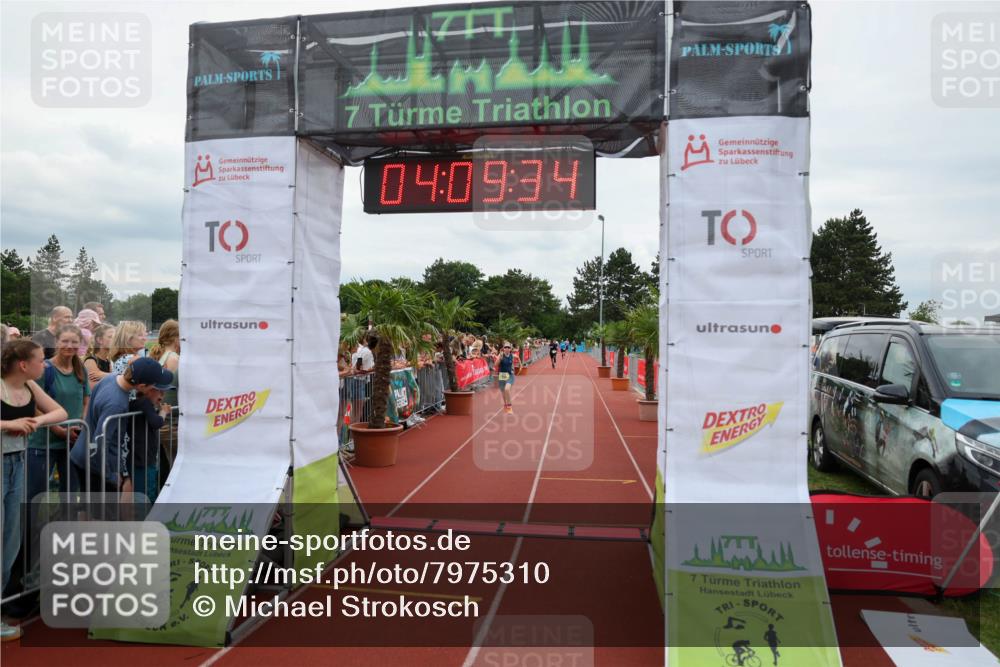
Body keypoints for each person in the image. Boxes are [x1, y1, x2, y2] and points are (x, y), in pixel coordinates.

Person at [1, 339, 67, 642]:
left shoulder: (30, 387)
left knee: (11, 542)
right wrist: (8, 423)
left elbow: (60, 413)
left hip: (18, 465)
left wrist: (35, 421)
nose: (46, 364)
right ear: (23, 364)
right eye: (41, 359)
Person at [69, 357, 173, 495]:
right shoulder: (116, 403)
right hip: (96, 465)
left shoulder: (111, 378)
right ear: (142, 386)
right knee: (100, 515)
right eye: (154, 386)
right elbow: (100, 442)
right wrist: (110, 476)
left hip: (84, 455)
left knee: (87, 510)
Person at [27, 325, 89, 496]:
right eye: (65, 341)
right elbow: (35, 406)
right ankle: (29, 524)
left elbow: (85, 401)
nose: (69, 345)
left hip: (72, 443)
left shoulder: (81, 369)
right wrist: (59, 431)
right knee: (34, 494)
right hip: (43, 443)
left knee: (70, 492)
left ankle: (63, 523)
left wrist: (79, 426)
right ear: (56, 342)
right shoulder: (44, 370)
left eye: (74, 342)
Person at [127, 384, 171, 504]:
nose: (162, 397)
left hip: (145, 458)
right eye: (160, 392)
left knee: (148, 492)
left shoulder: (144, 404)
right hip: (142, 460)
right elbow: (156, 422)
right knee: (145, 495)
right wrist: (163, 412)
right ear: (149, 391)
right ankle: (143, 520)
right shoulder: (144, 403)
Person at [149, 321, 179, 477]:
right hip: (171, 419)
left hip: (164, 416)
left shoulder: (161, 355)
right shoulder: (173, 358)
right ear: (176, 338)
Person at [84, 323, 115, 389]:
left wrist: (105, 375)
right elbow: (94, 389)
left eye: (115, 337)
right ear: (100, 340)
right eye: (110, 337)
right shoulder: (91, 360)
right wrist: (111, 377)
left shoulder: (107, 361)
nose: (114, 340)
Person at [493, 342, 519, 414]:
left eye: (508, 347)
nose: (507, 349)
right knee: (503, 393)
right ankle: (505, 405)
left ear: (510, 349)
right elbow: (495, 365)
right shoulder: (500, 355)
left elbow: (516, 359)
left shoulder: (512, 355)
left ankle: (509, 406)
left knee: (507, 389)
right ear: (503, 349)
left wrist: (519, 365)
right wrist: (499, 359)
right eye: (505, 347)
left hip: (510, 375)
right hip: (502, 375)